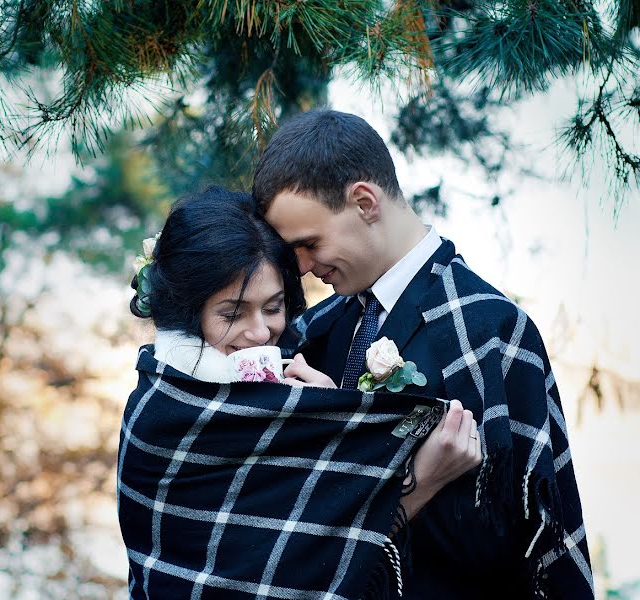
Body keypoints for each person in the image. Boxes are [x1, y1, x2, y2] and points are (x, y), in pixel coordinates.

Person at [252, 109, 592, 599]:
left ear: (365, 202)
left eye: (308, 245)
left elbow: (535, 538)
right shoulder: (312, 335)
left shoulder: (489, 329)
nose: (301, 269)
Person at [118, 186, 481, 599]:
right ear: (187, 311)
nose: (260, 333)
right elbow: (297, 570)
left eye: (273, 307)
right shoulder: (161, 415)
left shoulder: (288, 380)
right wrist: (423, 481)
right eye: (232, 313)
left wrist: (325, 412)